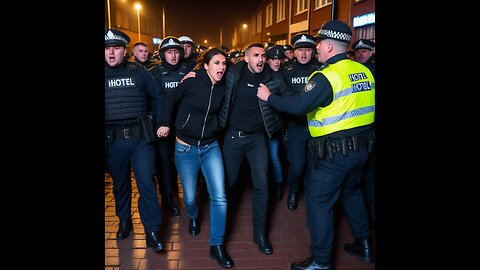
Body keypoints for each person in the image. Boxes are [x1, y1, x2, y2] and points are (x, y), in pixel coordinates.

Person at [257, 20, 375, 269]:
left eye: (320, 44)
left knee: (319, 202)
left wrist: (270, 97)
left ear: (330, 48)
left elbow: (298, 106)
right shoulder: (364, 72)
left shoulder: (326, 76)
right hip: (363, 150)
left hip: (334, 154)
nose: (317, 48)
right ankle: (364, 244)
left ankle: (321, 261)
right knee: (352, 192)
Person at [157, 48, 233, 268]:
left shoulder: (223, 86)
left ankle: (216, 245)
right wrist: (165, 123)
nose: (221, 67)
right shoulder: (191, 81)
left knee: (219, 196)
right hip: (185, 149)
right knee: (190, 198)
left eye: (224, 63)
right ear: (206, 65)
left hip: (211, 147)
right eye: (217, 63)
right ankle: (193, 216)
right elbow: (170, 101)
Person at [218, 42, 293, 256]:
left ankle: (260, 233)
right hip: (233, 136)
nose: (261, 59)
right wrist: (192, 77)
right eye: (256, 55)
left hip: (258, 138)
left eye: (263, 56)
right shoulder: (234, 72)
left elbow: (291, 100)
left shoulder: (274, 78)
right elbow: (211, 76)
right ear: (246, 58)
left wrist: (271, 96)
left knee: (262, 184)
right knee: (230, 183)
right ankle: (226, 223)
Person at [104, 29, 165, 252]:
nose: (111, 52)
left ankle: (152, 230)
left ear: (124, 51)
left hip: (140, 140)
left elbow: (158, 97)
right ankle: (124, 222)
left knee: (147, 183)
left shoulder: (139, 72)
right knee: (120, 186)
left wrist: (159, 124)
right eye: (107, 48)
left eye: (116, 48)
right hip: (113, 142)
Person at [281, 33, 322, 211]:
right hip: (295, 127)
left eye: (307, 49)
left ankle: (311, 197)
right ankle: (294, 191)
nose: (303, 53)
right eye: (299, 50)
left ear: (313, 52)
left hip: (317, 128)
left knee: (314, 166)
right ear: (294, 52)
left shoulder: (321, 68)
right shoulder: (286, 69)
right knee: (297, 166)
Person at [149, 36, 188, 217]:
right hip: (162, 128)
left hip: (183, 127)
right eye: (169, 52)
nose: (173, 55)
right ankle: (167, 197)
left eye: (176, 52)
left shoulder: (188, 70)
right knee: (164, 163)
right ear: (163, 54)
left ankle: (185, 195)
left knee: (182, 163)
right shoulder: (154, 73)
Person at [352, 38, 376, 225]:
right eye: (358, 52)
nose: (361, 54)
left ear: (371, 52)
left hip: (371, 130)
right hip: (358, 132)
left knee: (369, 176)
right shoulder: (353, 71)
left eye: (365, 51)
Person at [265, 44, 287, 200]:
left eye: (279, 59)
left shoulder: (283, 74)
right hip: (261, 124)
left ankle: (278, 185)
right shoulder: (262, 73)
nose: (277, 62)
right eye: (273, 59)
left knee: (274, 157)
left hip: (276, 124)